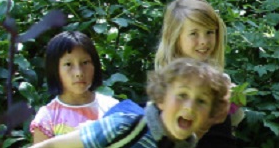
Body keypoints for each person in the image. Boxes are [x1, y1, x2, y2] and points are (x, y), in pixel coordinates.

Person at [30, 58, 230, 148]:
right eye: (182, 95)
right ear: (160, 99)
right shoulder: (127, 126)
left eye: (201, 100)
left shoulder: (184, 144)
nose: (190, 106)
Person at [154, 0, 241, 146]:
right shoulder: (168, 87)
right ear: (175, 37)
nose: (204, 41)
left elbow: (229, 127)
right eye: (194, 33)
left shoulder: (218, 78)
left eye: (209, 32)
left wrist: (233, 103)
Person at [30, 31, 119, 143]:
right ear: (54, 70)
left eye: (85, 62)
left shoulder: (112, 109)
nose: (79, 72)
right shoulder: (47, 119)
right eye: (68, 64)